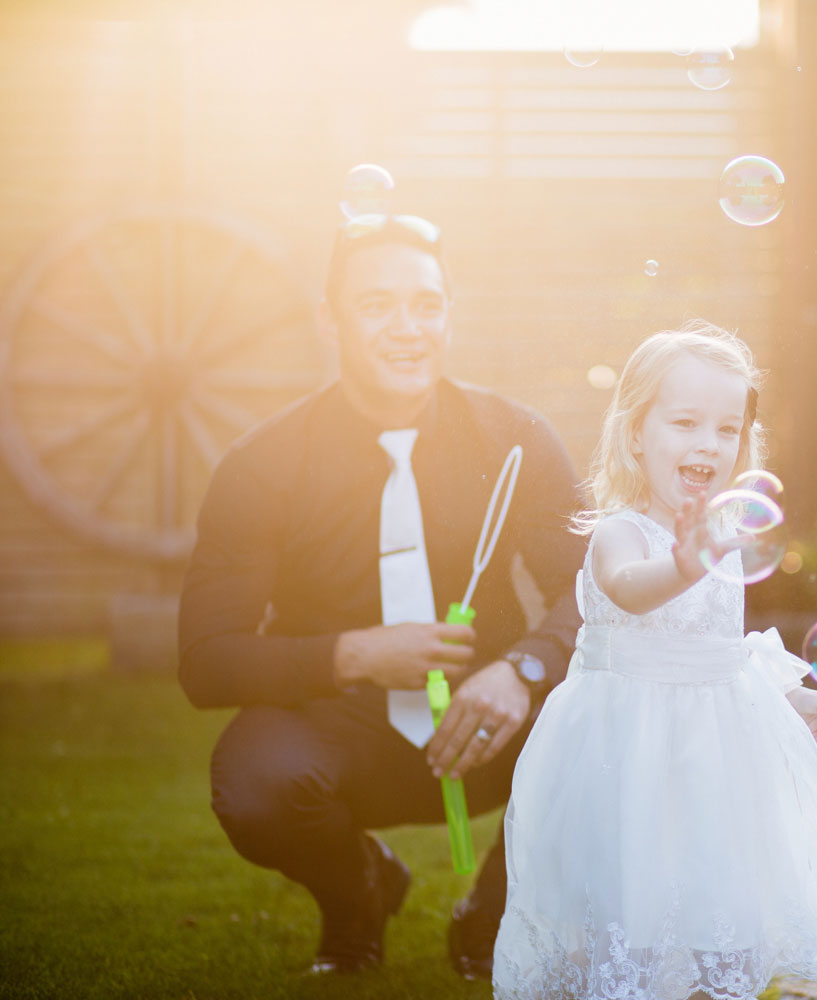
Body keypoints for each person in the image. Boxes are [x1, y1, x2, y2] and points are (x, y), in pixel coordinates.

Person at [177, 209, 586, 979]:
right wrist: (356, 653)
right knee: (257, 784)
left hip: (492, 724)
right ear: (330, 321)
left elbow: (595, 590)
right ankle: (359, 892)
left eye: (427, 305)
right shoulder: (262, 465)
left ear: (449, 316)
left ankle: (495, 921)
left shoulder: (515, 439)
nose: (408, 328)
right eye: (378, 306)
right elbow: (206, 661)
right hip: (338, 731)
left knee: (613, 735)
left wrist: (524, 669)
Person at [491, 321, 817, 999]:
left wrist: (786, 697)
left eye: (727, 429)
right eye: (685, 422)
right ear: (636, 433)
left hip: (709, 765)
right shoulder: (621, 534)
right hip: (629, 760)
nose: (708, 442)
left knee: (711, 902)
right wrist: (685, 562)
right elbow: (630, 592)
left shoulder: (720, 541)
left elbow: (721, 651)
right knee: (633, 908)